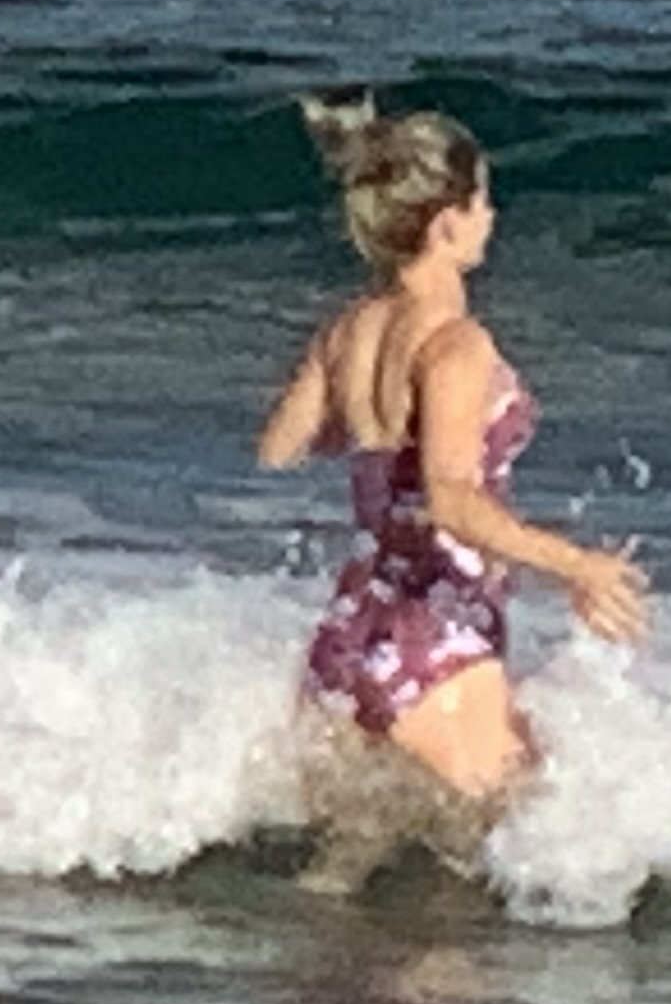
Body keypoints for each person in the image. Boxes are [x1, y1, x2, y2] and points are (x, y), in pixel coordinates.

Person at [256, 94, 649, 804]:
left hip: (352, 631)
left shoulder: (346, 331)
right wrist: (576, 565)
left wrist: (371, 423)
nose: (490, 219)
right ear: (446, 225)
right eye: (483, 203)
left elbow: (279, 450)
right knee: (523, 826)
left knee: (350, 864)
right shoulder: (456, 345)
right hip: (435, 632)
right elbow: (452, 499)